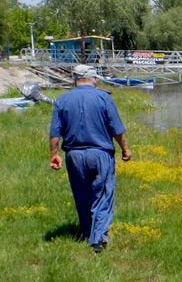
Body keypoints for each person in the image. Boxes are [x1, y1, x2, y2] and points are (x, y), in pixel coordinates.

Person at [49, 64, 132, 252]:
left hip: (74, 155)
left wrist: (54, 154)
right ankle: (99, 238)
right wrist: (125, 149)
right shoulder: (104, 98)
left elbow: (55, 132)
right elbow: (117, 129)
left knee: (82, 196)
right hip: (101, 153)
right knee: (103, 195)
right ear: (95, 80)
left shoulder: (63, 100)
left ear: (75, 79)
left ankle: (88, 233)